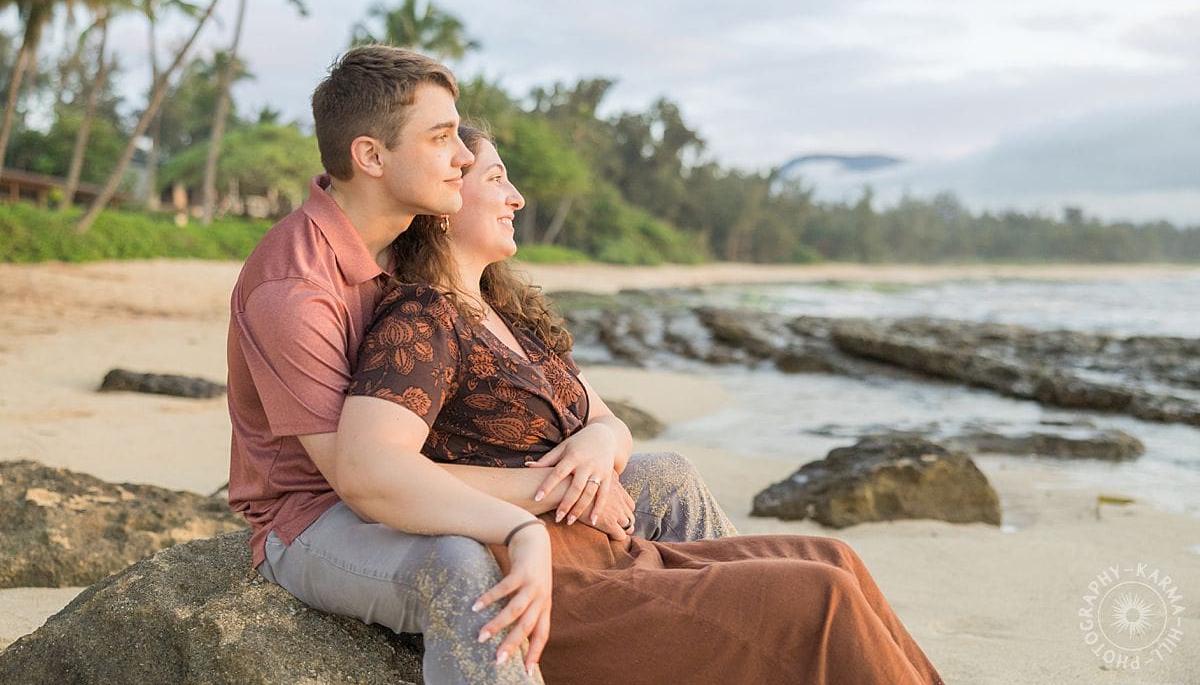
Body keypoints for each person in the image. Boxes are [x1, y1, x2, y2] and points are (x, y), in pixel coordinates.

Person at [340, 124, 948, 684]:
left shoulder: (505, 317)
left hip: (616, 555)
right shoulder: (422, 320)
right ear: (444, 205)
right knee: (819, 596)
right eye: (496, 179)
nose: (517, 198)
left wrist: (598, 442)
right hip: (557, 582)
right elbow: (379, 470)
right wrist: (558, 486)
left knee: (833, 556)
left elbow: (607, 421)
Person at [226, 45, 735, 685]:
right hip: (316, 519)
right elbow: (362, 482)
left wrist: (593, 452)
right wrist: (549, 502)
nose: (463, 158)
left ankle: (746, 621)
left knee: (668, 478)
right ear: (371, 157)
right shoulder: (294, 289)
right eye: (441, 138)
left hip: (434, 476)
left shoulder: (401, 251)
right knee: (461, 565)